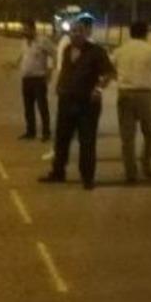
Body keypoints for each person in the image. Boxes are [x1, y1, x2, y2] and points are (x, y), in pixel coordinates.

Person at [39, 16, 115, 190]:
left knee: (87, 141)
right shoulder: (66, 50)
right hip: (66, 102)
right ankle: (58, 172)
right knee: (61, 140)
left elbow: (109, 74)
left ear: (86, 33)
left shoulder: (96, 52)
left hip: (87, 104)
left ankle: (87, 178)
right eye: (73, 31)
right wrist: (58, 86)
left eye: (80, 31)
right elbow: (65, 70)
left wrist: (98, 89)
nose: (76, 35)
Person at [111, 21, 151, 183]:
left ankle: (130, 172)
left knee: (127, 136)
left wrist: (121, 80)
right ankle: (147, 166)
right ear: (145, 33)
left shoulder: (120, 50)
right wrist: (150, 80)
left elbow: (110, 69)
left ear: (130, 33)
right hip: (145, 95)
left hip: (125, 94)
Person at [17, 20, 56, 141]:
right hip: (26, 79)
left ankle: (46, 133)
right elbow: (23, 55)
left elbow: (54, 54)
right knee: (28, 107)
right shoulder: (24, 42)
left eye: (26, 29)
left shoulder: (43, 41)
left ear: (33, 29)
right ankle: (30, 132)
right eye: (23, 29)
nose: (24, 31)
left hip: (39, 78)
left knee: (42, 107)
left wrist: (49, 71)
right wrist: (15, 64)